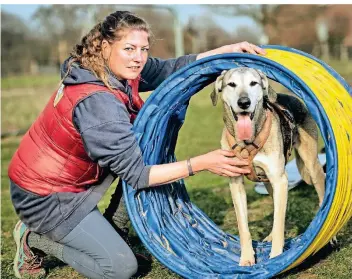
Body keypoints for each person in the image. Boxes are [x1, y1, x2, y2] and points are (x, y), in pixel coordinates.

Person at [8, 10, 266, 279]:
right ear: (106, 47)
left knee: (145, 150)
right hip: (45, 197)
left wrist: (224, 51)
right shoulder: (98, 102)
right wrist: (203, 163)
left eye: (143, 49)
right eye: (129, 48)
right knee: (121, 269)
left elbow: (171, 70)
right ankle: (33, 238)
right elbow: (139, 175)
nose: (139, 57)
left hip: (75, 183)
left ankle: (116, 230)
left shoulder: (115, 69)